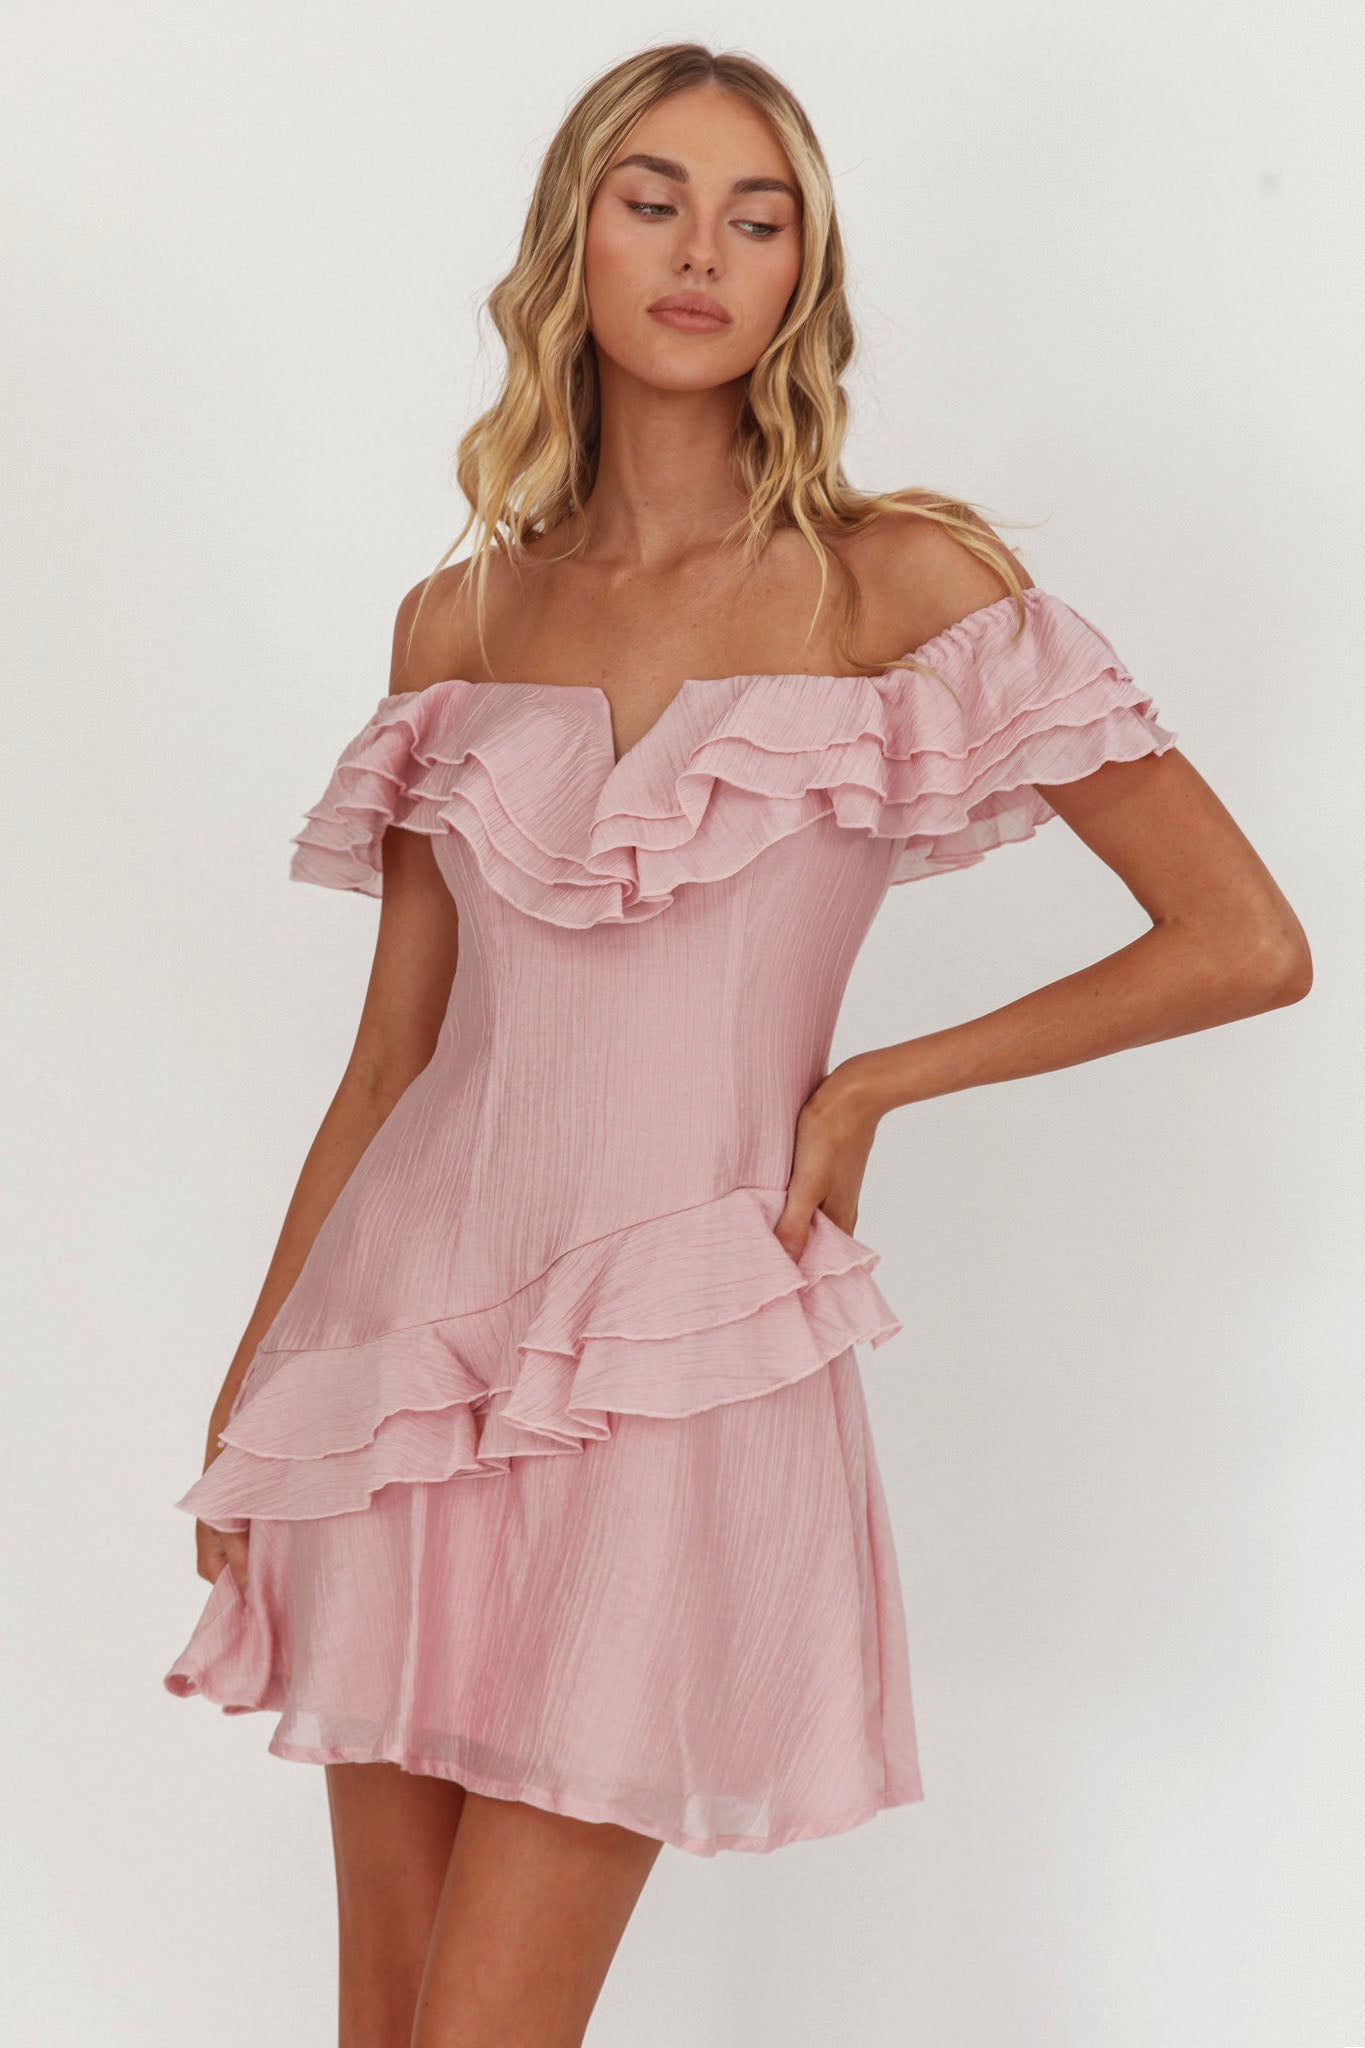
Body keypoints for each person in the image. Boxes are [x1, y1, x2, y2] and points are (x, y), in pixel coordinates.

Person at [162, 42, 1312, 2048]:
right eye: (654, 200)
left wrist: (867, 1087)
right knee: (380, 2027)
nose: (702, 251)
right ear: (573, 243)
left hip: (677, 1363)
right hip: (401, 1353)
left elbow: (1240, 940)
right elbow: (391, 1060)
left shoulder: (900, 587)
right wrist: (259, 1392)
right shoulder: (457, 621)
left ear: (803, 273)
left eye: (755, 216)